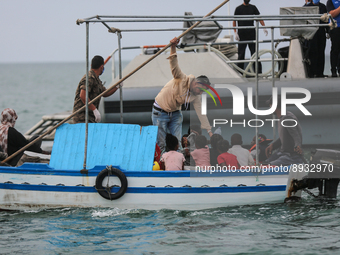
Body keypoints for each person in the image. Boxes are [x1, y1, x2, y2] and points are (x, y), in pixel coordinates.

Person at [152, 37, 213, 151]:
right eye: (201, 90)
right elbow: (174, 64)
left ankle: (178, 166)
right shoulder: (182, 78)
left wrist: (210, 132)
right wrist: (173, 47)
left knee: (178, 145)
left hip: (175, 113)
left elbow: (201, 114)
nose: (200, 93)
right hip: (160, 111)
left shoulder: (195, 96)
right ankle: (162, 166)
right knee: (161, 144)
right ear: (197, 83)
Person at [73, 55, 119, 123]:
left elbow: (105, 93)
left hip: (90, 117)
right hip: (82, 117)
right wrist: (94, 109)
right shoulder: (89, 78)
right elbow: (83, 96)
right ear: (102, 67)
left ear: (91, 65)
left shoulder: (96, 79)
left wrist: (117, 86)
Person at [264, 97, 304, 166]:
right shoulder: (283, 117)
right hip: (282, 152)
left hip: (290, 156)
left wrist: (298, 146)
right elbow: (285, 137)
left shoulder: (287, 118)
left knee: (267, 167)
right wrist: (273, 145)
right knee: (264, 164)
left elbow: (295, 135)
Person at [233, 0, 268, 73]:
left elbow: (259, 17)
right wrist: (235, 32)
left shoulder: (253, 7)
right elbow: (234, 20)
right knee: (241, 54)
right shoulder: (238, 9)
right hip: (242, 34)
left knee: (254, 53)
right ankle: (240, 73)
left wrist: (264, 27)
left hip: (251, 33)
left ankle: (258, 72)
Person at [305, 0, 328, 78]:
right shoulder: (307, 7)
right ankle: (312, 72)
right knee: (312, 52)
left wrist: (328, 31)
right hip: (312, 32)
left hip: (321, 31)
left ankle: (320, 73)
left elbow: (326, 20)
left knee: (321, 52)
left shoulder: (323, 7)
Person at [326, 0, 340, 77]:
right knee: (335, 49)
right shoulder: (330, 1)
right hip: (335, 27)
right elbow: (332, 14)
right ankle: (333, 70)